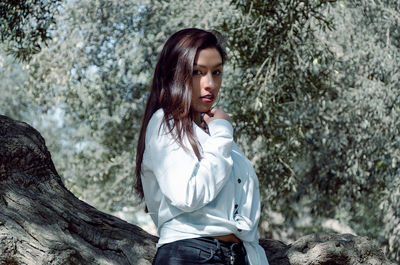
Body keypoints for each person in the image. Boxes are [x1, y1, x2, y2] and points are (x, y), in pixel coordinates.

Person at [135, 28, 269, 265]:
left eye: (216, 72)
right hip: (192, 253)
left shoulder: (213, 133)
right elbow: (187, 196)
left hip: (236, 256)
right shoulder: (166, 124)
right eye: (198, 72)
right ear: (174, 74)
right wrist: (223, 133)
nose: (210, 84)